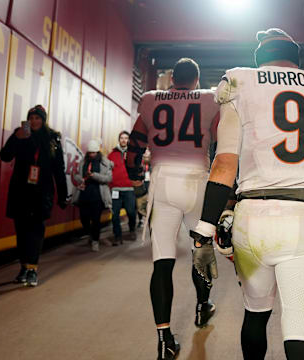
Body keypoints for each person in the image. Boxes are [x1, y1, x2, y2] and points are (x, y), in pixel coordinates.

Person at [190, 29, 304, 360]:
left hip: (253, 220)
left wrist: (203, 233)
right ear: (296, 59)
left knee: (255, 315)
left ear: (259, 60)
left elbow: (223, 165)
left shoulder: (239, 81)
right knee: (301, 331)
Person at [126, 58, 220, 360]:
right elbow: (222, 144)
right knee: (200, 250)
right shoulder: (209, 99)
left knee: (162, 262)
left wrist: (137, 180)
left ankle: (164, 338)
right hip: (197, 181)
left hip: (163, 181)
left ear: (171, 80)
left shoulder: (152, 99)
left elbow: (136, 142)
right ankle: (202, 306)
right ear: (196, 79)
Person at [0, 105, 68, 287]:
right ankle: (23, 267)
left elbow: (58, 169)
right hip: (21, 191)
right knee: (21, 231)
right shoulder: (20, 134)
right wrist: (16, 138)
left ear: (43, 120)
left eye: (37, 118)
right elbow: (5, 156)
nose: (34, 121)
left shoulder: (53, 138)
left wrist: (62, 195)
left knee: (36, 231)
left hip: (42, 192)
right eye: (31, 118)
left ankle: (32, 269)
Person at [72, 139, 112, 252]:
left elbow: (108, 178)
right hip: (84, 194)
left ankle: (95, 240)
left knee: (96, 220)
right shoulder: (83, 162)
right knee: (84, 219)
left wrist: (94, 175)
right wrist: (79, 178)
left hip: (98, 195)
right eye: (90, 153)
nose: (92, 155)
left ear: (98, 152)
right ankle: (91, 234)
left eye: (94, 152)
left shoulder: (104, 163)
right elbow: (78, 176)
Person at [108, 131, 137, 245]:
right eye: (122, 138)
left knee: (131, 212)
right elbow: (107, 170)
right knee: (115, 215)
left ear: (129, 140)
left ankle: (132, 229)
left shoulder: (133, 154)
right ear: (119, 139)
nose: (124, 140)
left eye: (126, 138)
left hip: (129, 189)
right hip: (116, 190)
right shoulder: (112, 155)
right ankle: (117, 236)